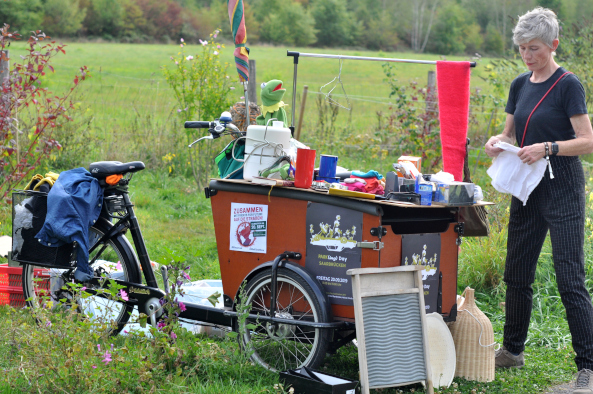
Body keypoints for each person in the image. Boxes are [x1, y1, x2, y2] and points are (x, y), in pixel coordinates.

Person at [484, 7, 593, 393]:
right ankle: (513, 351)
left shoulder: (568, 85)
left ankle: (588, 367)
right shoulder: (519, 84)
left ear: (554, 45)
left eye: (534, 48)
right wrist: (499, 144)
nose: (527, 56)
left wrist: (548, 147)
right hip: (527, 187)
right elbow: (510, 134)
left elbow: (588, 140)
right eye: (522, 49)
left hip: (562, 185)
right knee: (517, 273)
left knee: (569, 278)